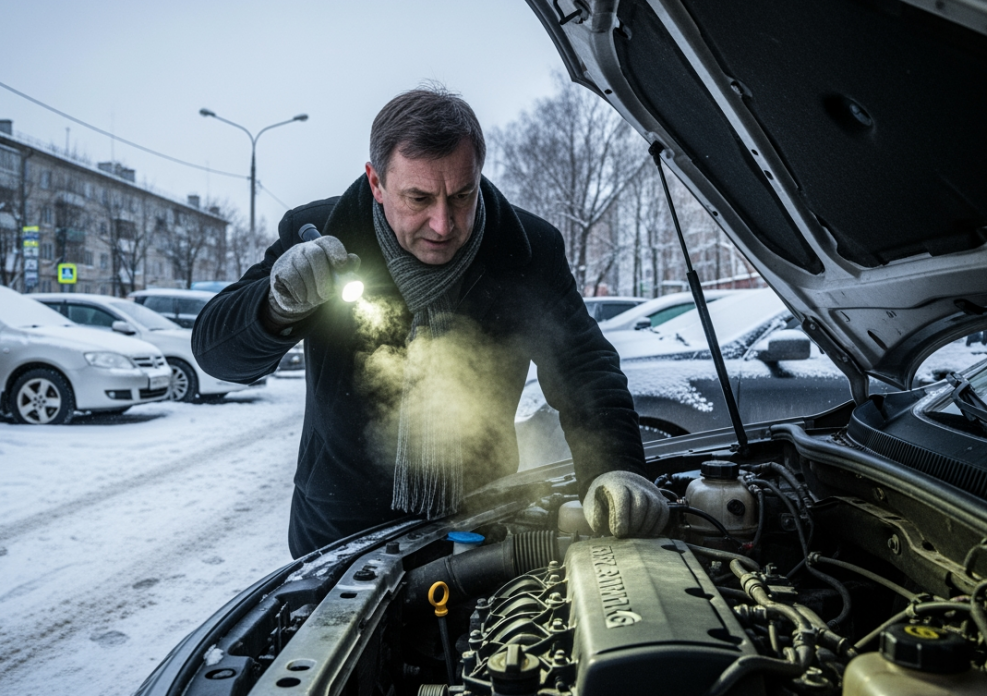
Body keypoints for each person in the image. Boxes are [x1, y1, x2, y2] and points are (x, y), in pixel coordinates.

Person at [192, 87, 668, 557]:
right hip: (338, 535)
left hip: (482, 524)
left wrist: (615, 468)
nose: (443, 224)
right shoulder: (318, 233)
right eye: (418, 198)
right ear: (376, 183)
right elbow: (218, 356)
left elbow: (584, 368)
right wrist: (275, 306)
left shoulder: (528, 250)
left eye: (462, 195)